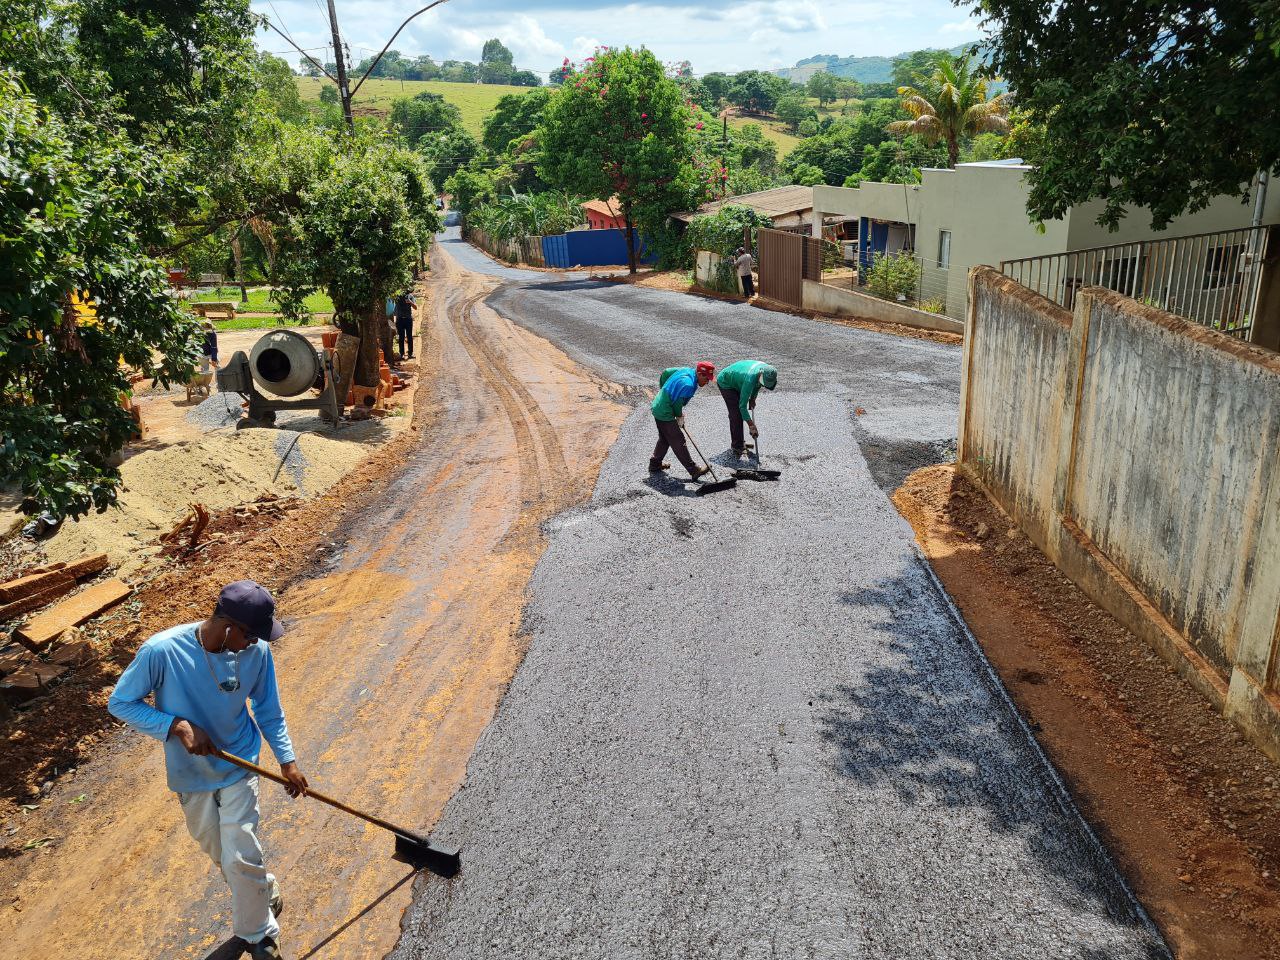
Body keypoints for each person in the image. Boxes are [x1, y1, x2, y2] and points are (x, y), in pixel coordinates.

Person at [108, 581, 307, 960]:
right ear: (229, 626)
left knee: (239, 855)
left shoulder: (257, 652)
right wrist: (177, 726)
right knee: (221, 854)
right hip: (191, 774)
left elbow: (268, 709)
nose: (254, 643)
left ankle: (259, 936)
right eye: (249, 634)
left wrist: (288, 760)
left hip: (240, 763)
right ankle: (263, 889)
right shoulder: (162, 651)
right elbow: (121, 703)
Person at [650, 362, 715, 479]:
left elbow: (666, 372)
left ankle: (654, 464)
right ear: (699, 374)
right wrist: (679, 417)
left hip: (658, 405)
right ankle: (694, 470)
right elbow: (676, 405)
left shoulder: (687, 370)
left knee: (665, 438)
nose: (707, 382)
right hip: (665, 411)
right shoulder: (688, 384)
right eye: (706, 378)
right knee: (678, 440)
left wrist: (664, 391)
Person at [716, 359, 778, 456]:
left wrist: (752, 399)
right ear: (760, 375)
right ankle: (737, 446)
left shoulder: (767, 370)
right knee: (736, 414)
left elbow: (757, 385)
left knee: (740, 411)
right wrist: (751, 425)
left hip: (739, 380)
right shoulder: (750, 379)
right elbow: (742, 407)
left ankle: (740, 442)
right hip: (726, 382)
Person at [394, 291, 418, 361]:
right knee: (401, 337)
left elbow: (415, 307)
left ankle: (410, 353)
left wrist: (410, 302)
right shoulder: (397, 296)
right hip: (400, 320)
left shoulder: (410, 296)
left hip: (408, 319)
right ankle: (401, 354)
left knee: (409, 336)